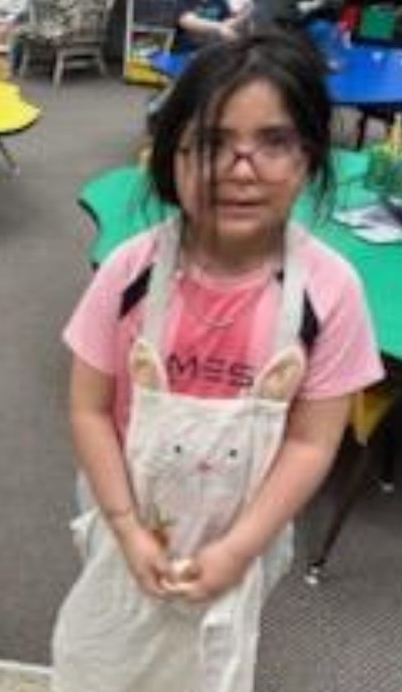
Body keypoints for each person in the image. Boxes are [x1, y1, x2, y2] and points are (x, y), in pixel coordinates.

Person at [51, 29, 383, 692]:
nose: (241, 168)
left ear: (310, 156)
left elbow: (312, 442)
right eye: (211, 143)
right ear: (169, 157)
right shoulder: (130, 272)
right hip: (123, 509)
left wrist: (237, 548)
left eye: (273, 142)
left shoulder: (331, 292)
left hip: (246, 530)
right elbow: (88, 408)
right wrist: (126, 527)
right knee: (105, 652)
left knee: (208, 665)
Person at [171, 0, 254, 53]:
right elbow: (186, 21)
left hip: (207, 52)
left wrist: (244, 15)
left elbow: (227, 24)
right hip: (181, 52)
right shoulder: (184, 2)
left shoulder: (220, 3)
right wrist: (219, 28)